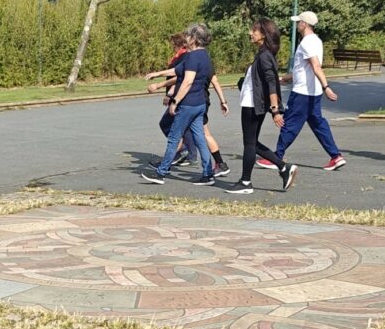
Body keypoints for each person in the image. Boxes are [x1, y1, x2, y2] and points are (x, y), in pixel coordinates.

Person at [265, 11, 346, 171]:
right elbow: (304, 69)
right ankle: (336, 157)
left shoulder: (307, 43)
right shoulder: (316, 41)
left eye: (298, 22)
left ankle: (277, 157)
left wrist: (326, 87)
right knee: (318, 124)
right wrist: (286, 78)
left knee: (289, 124)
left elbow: (315, 66)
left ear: (305, 24)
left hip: (303, 93)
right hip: (312, 92)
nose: (297, 25)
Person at [226, 17, 298, 193]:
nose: (250, 33)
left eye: (254, 30)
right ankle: (283, 167)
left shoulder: (265, 56)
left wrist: (275, 110)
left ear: (263, 34)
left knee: (249, 144)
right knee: (251, 142)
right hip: (252, 103)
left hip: (253, 105)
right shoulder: (263, 54)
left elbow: (271, 83)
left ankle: (245, 183)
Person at [142, 23, 220, 185]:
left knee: (174, 137)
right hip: (200, 105)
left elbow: (187, 81)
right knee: (199, 139)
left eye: (188, 36)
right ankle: (207, 174)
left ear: (195, 39)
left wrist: (175, 101)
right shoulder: (204, 56)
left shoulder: (192, 57)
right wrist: (157, 74)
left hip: (188, 104)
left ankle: (161, 172)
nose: (186, 38)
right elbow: (177, 70)